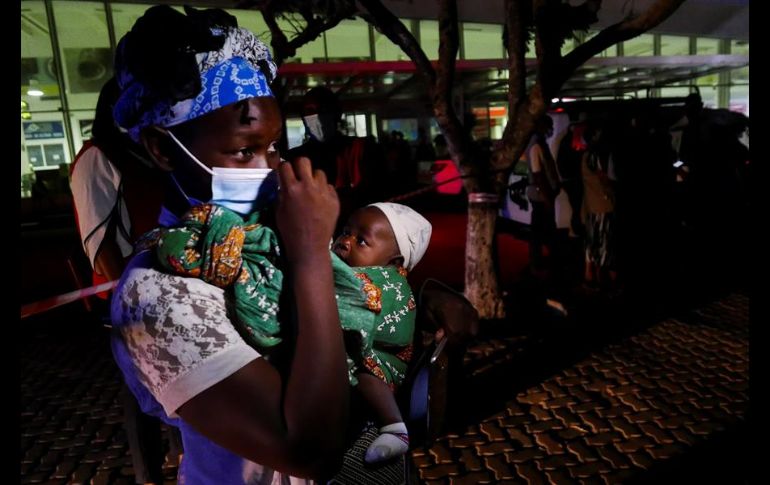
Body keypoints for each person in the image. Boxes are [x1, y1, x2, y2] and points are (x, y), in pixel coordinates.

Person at [108, 6, 350, 483]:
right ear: (162, 148)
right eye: (244, 150)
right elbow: (308, 451)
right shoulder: (157, 291)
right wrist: (310, 260)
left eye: (275, 147)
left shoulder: (260, 235)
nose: (271, 169)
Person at [146, 197, 432, 465]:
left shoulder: (388, 282)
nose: (346, 241)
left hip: (378, 364)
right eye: (345, 231)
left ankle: (394, 428)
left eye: (362, 240)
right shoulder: (345, 265)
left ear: (395, 262)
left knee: (369, 382)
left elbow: (344, 297)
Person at [69, 78, 180, 485]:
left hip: (167, 284)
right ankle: (147, 471)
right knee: (140, 389)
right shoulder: (97, 157)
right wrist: (127, 292)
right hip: (131, 292)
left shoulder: (148, 151)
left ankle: (177, 453)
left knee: (174, 376)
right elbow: (99, 240)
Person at [288, 86, 385, 225]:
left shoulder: (362, 149)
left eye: (324, 110)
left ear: (337, 114)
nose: (318, 117)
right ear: (303, 118)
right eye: (310, 111)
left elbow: (377, 194)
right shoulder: (294, 158)